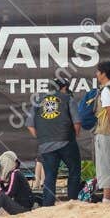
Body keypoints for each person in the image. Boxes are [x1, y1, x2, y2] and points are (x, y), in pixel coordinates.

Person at [27, 76, 80, 206]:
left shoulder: (38, 100)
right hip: (66, 141)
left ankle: (48, 205)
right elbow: (77, 123)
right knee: (74, 170)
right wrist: (74, 136)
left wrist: (41, 138)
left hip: (46, 145)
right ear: (64, 87)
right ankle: (72, 202)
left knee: (50, 176)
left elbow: (30, 125)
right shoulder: (68, 99)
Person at [0, 151, 35, 218]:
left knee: (1, 195)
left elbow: (9, 193)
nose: (0, 165)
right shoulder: (15, 173)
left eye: (2, 162)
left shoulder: (15, 173)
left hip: (23, 209)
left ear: (6, 162)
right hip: (21, 207)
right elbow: (4, 190)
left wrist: (0, 181)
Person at [92, 61, 110, 201]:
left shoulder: (107, 90)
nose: (96, 74)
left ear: (103, 74)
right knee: (109, 164)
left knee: (105, 165)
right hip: (109, 132)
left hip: (105, 132)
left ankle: (107, 198)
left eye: (98, 72)